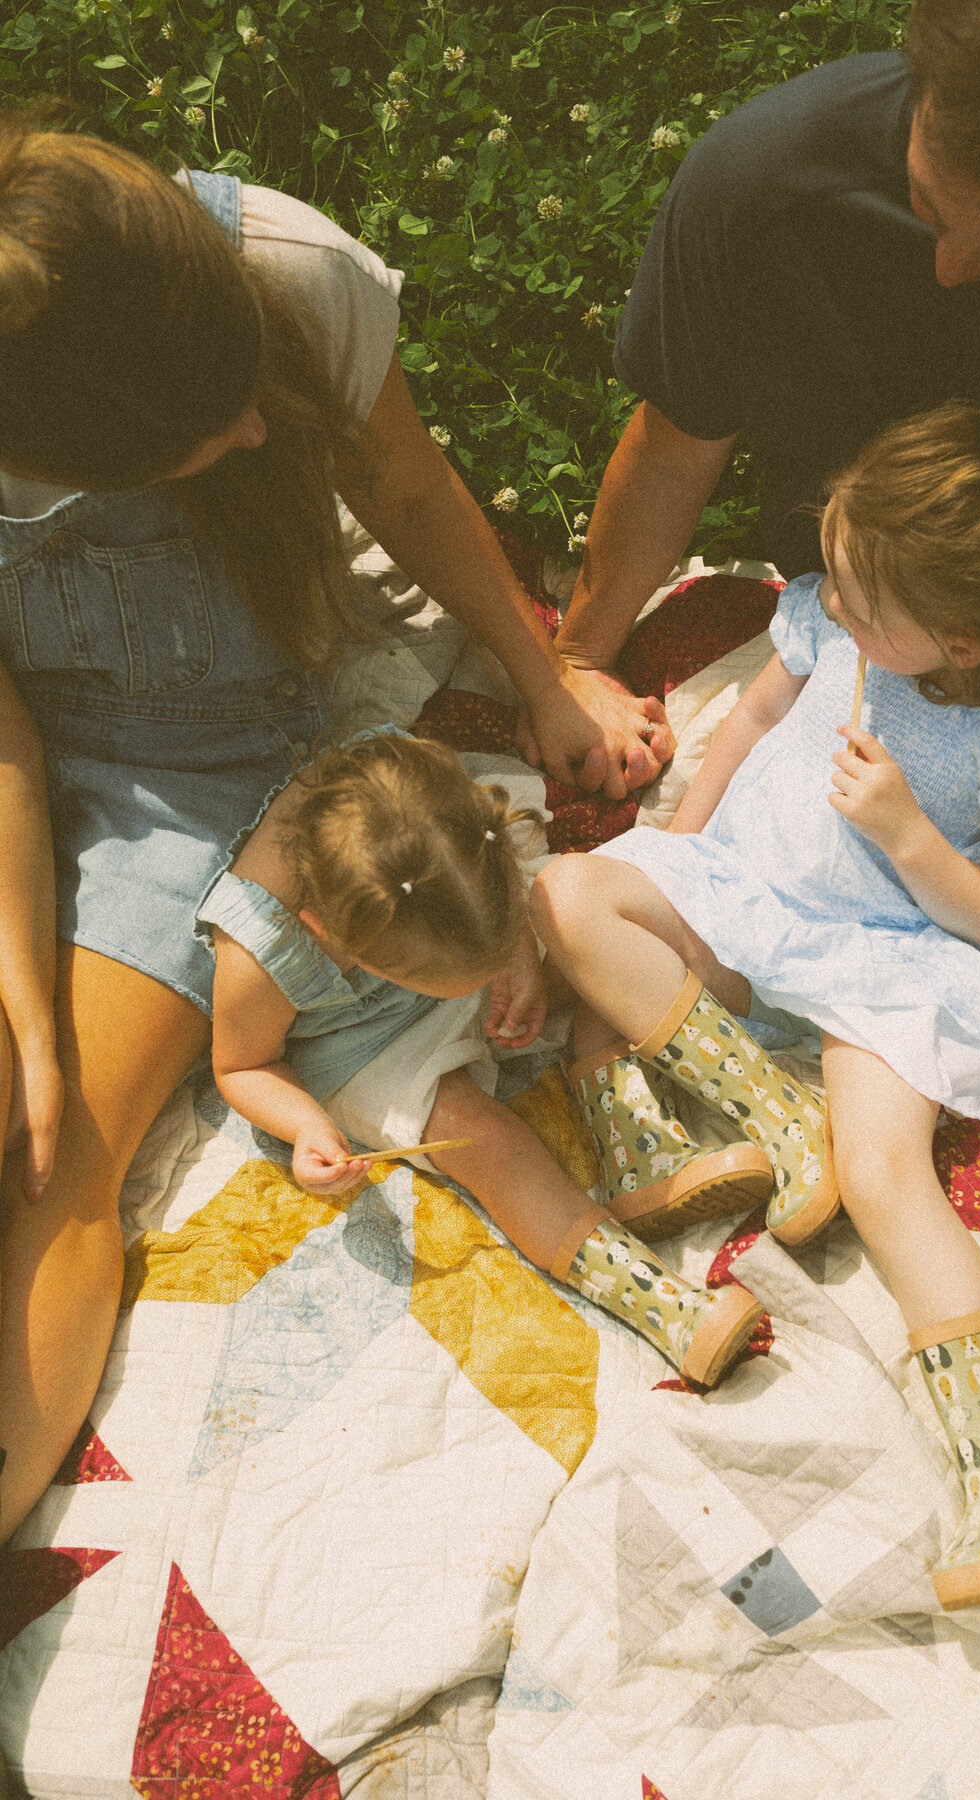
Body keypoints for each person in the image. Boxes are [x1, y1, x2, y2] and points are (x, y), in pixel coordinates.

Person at [0, 118, 665, 1542]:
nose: (256, 434)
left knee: (60, 1158)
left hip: (203, 756)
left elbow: (406, 483)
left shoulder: (286, 267)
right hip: (20, 741)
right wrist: (18, 965)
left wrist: (542, 677)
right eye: (210, 433)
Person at [559, 0, 980, 1097]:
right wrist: (571, 660)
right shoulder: (767, 182)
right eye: (926, 208)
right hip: (892, 668)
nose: (950, 268)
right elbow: (675, 448)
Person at [533, 403, 980, 1609]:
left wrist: (907, 833)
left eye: (856, 595)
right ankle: (771, 1119)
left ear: (958, 642)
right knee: (572, 900)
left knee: (888, 1171)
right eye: (834, 578)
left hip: (892, 959)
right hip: (753, 912)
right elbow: (747, 722)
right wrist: (676, 858)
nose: (829, 603)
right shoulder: (829, 626)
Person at [200, 726, 763, 1388]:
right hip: (360, 1038)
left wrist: (517, 951)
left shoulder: (423, 807)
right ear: (336, 937)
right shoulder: (260, 956)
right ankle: (661, 1304)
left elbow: (494, 897)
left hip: (457, 934)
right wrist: (304, 1125)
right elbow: (242, 1066)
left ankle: (634, 1143)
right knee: (485, 1142)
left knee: (590, 936)